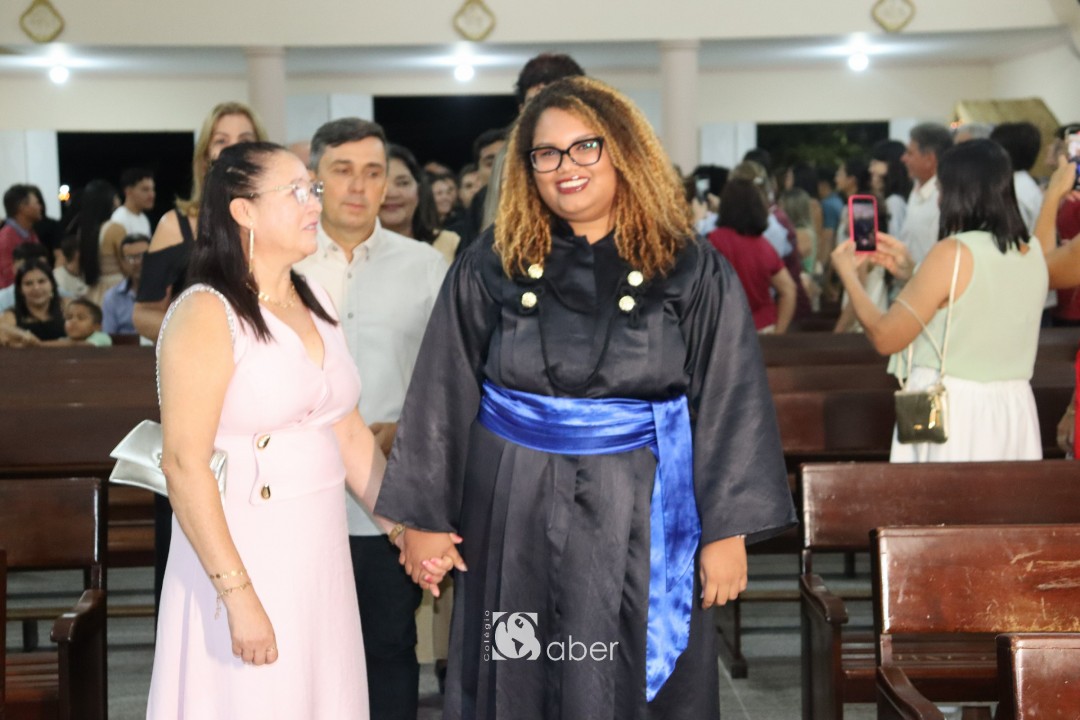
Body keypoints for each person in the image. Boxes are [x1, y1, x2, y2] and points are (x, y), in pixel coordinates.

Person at [376, 76, 795, 720]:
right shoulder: (493, 261)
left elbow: (730, 394)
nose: (565, 166)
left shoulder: (688, 263)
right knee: (516, 660)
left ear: (624, 149)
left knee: (624, 669)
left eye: (585, 147)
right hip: (512, 505)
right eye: (546, 153)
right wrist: (424, 519)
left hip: (644, 502)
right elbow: (444, 384)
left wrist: (727, 531)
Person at [146, 141, 455, 718]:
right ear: (243, 210)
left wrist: (403, 531)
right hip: (242, 553)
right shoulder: (206, 311)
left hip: (316, 552)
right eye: (295, 192)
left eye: (312, 189)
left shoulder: (312, 299)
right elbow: (183, 465)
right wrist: (238, 597)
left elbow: (349, 435)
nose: (315, 202)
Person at [295, 119, 449, 720]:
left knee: (388, 648)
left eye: (373, 172)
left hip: (388, 498)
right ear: (315, 180)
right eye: (342, 171)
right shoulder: (283, 264)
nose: (358, 186)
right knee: (302, 657)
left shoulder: (425, 267)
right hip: (297, 498)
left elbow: (449, 379)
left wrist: (402, 429)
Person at [831, 138, 1046, 462]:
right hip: (1014, 408)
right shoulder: (1032, 251)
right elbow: (976, 301)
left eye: (942, 189)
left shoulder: (952, 252)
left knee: (945, 495)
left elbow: (885, 336)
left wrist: (848, 275)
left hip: (954, 409)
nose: (939, 199)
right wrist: (914, 271)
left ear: (958, 192)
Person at [133, 101, 268, 342]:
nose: (233, 149)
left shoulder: (276, 222)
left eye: (245, 140)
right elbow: (143, 315)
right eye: (221, 141)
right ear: (206, 157)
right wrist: (201, 335)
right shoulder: (175, 226)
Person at [710, 179, 797, 333]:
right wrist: (779, 334)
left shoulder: (713, 241)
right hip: (764, 327)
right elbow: (789, 289)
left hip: (726, 329)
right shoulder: (764, 246)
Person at [380, 144, 461, 263]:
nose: (391, 193)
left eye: (403, 183)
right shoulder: (353, 251)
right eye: (381, 183)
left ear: (419, 189)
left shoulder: (450, 243)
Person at [899, 123, 953, 265]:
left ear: (930, 159)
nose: (903, 158)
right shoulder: (916, 189)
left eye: (910, 153)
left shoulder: (944, 196)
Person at [75, 179, 127, 304]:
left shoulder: (83, 231)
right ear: (109, 200)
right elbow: (126, 265)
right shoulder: (115, 228)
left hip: (92, 293)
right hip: (117, 291)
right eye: (116, 197)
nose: (118, 201)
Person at [0, 259, 65, 343]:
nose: (36, 288)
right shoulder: (11, 316)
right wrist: (21, 334)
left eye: (41, 281)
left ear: (52, 284)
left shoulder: (66, 308)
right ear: (20, 289)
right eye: (28, 283)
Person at [102, 234, 150, 335]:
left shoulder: (168, 291)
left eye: (142, 256)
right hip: (125, 345)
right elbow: (108, 338)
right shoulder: (112, 297)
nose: (137, 262)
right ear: (122, 262)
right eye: (130, 258)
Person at [0, 184, 42, 288]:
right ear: (22, 207)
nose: (40, 207)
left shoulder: (30, 233)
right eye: (37, 203)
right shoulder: (5, 239)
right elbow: (9, 279)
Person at [112, 168, 156, 237]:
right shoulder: (119, 220)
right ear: (128, 192)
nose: (151, 195)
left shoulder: (144, 219)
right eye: (145, 190)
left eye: (152, 189)